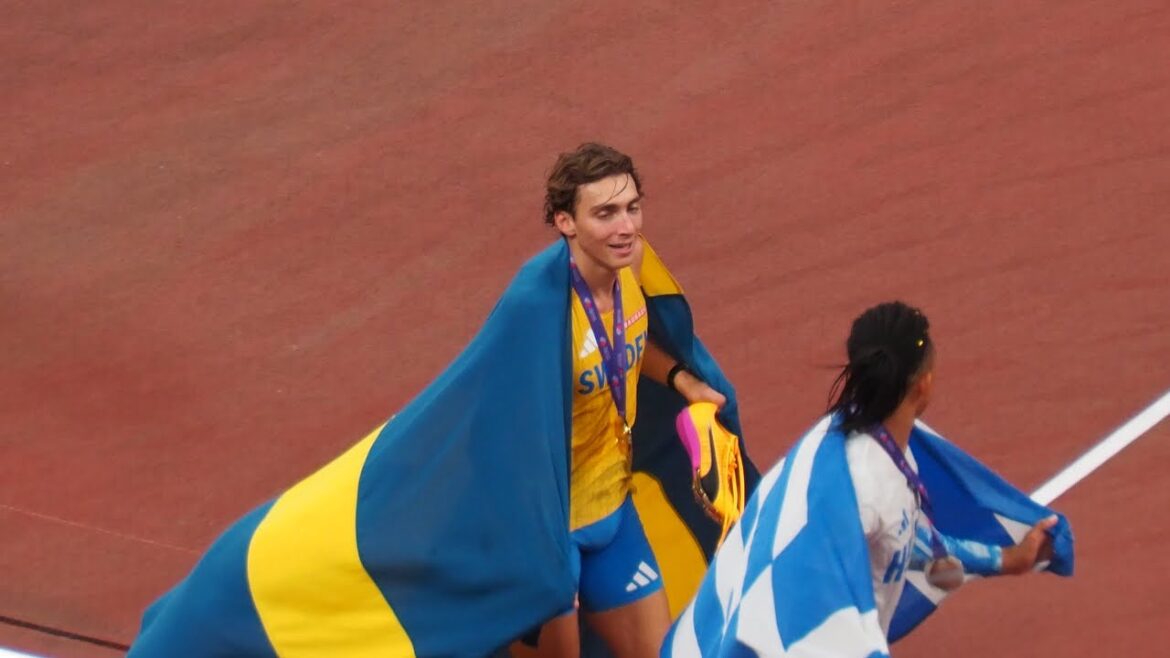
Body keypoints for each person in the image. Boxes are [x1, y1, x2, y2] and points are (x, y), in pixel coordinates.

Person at [127, 144, 756, 658]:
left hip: (613, 518)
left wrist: (681, 381)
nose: (624, 227)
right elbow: (489, 418)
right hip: (545, 535)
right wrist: (520, 540)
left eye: (632, 208)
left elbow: (631, 340)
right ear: (565, 223)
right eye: (605, 214)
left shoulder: (630, 274)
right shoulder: (534, 313)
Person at [662, 301, 1074, 657]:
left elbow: (907, 538)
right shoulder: (861, 489)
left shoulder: (844, 438)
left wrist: (1007, 559)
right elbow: (811, 603)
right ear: (924, 383)